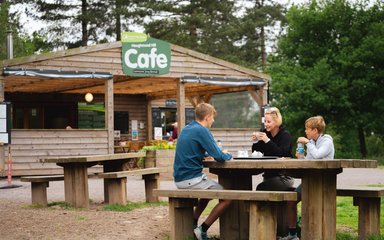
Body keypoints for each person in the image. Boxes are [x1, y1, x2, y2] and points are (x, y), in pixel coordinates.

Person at [173, 103, 233, 240]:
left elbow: (193, 149)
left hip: (180, 179)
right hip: (191, 180)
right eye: (212, 117)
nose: (213, 121)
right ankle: (203, 229)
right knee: (228, 198)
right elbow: (220, 157)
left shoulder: (188, 128)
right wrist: (227, 154)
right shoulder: (202, 131)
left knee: (208, 192)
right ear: (207, 117)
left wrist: (205, 154)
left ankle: (193, 222)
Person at [280, 115, 335, 240]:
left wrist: (308, 143)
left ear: (315, 130)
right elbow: (309, 161)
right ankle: (292, 235)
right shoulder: (312, 143)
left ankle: (317, 234)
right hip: (309, 181)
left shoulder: (327, 141)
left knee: (311, 204)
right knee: (291, 201)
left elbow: (318, 155)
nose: (305, 131)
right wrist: (301, 156)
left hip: (323, 182)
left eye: (307, 129)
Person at [251, 107, 294, 191]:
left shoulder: (285, 135)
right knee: (262, 189)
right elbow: (256, 153)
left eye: (269, 122)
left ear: (276, 121)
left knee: (260, 188)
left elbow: (281, 153)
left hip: (284, 177)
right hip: (268, 176)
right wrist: (255, 141)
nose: (266, 124)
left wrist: (267, 140)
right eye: (265, 122)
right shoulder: (266, 133)